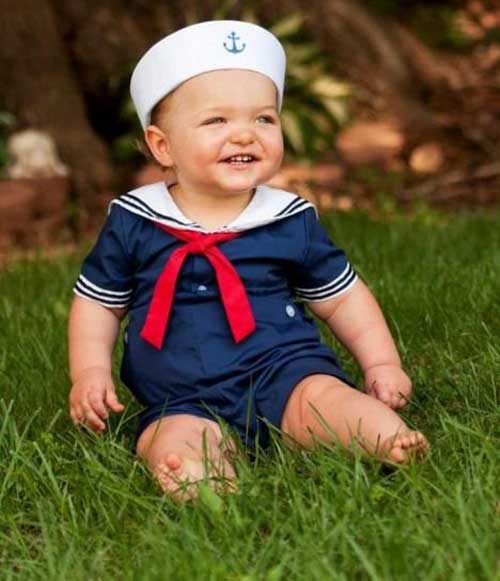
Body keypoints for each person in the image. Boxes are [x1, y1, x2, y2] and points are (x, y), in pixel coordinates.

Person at [68, 20, 428, 501]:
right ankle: (197, 470)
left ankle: (381, 435)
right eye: (217, 121)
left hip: (284, 370)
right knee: (169, 436)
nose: (244, 135)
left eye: (263, 119)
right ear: (162, 145)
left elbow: (342, 299)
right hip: (180, 394)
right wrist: (90, 373)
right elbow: (99, 304)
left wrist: (382, 361)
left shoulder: (286, 218)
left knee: (326, 401)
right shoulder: (135, 221)